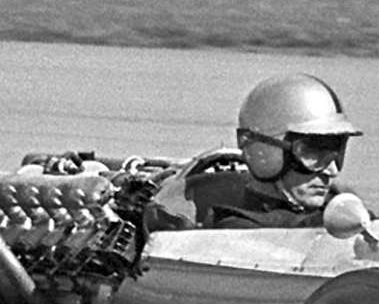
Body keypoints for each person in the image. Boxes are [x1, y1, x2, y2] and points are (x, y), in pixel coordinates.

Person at [151, 72, 360, 229]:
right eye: (314, 153)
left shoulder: (344, 211)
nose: (331, 171)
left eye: (336, 152)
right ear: (268, 152)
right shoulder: (234, 228)